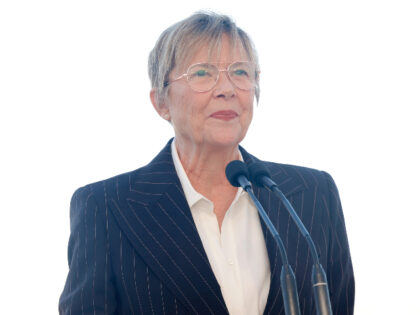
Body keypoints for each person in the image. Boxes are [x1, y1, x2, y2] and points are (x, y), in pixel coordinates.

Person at [59, 11, 354, 315]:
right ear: (161, 102)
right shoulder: (107, 208)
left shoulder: (314, 196)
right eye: (202, 73)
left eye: (240, 72)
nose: (227, 88)